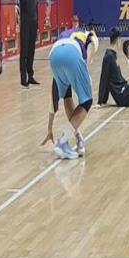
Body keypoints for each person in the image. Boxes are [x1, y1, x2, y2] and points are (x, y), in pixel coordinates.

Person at [41, 29, 99, 160]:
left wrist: (49, 129)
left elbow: (53, 98)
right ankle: (62, 141)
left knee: (66, 96)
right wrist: (86, 68)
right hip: (72, 55)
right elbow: (92, 43)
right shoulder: (90, 35)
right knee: (87, 101)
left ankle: (78, 138)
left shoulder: (68, 35)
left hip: (54, 56)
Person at [17, 0, 40, 89]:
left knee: (31, 49)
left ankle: (30, 75)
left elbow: (35, 3)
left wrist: (37, 20)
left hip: (33, 21)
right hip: (25, 22)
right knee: (24, 50)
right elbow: (25, 1)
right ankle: (23, 77)